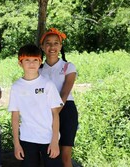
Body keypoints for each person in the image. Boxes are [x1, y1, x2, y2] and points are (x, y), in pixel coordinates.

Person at [8, 44, 63, 167]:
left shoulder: (48, 85)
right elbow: (15, 117)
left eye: (35, 60)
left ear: (40, 62)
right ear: (20, 63)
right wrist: (16, 144)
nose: (31, 64)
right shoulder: (16, 87)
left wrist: (55, 141)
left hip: (48, 139)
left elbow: (55, 114)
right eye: (27, 60)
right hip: (27, 139)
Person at [39, 28, 78, 167]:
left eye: (56, 43)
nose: (52, 47)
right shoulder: (38, 70)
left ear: (60, 46)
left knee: (65, 156)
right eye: (48, 43)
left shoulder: (68, 67)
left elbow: (64, 93)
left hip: (65, 110)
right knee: (49, 154)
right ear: (42, 47)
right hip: (45, 112)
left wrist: (53, 115)